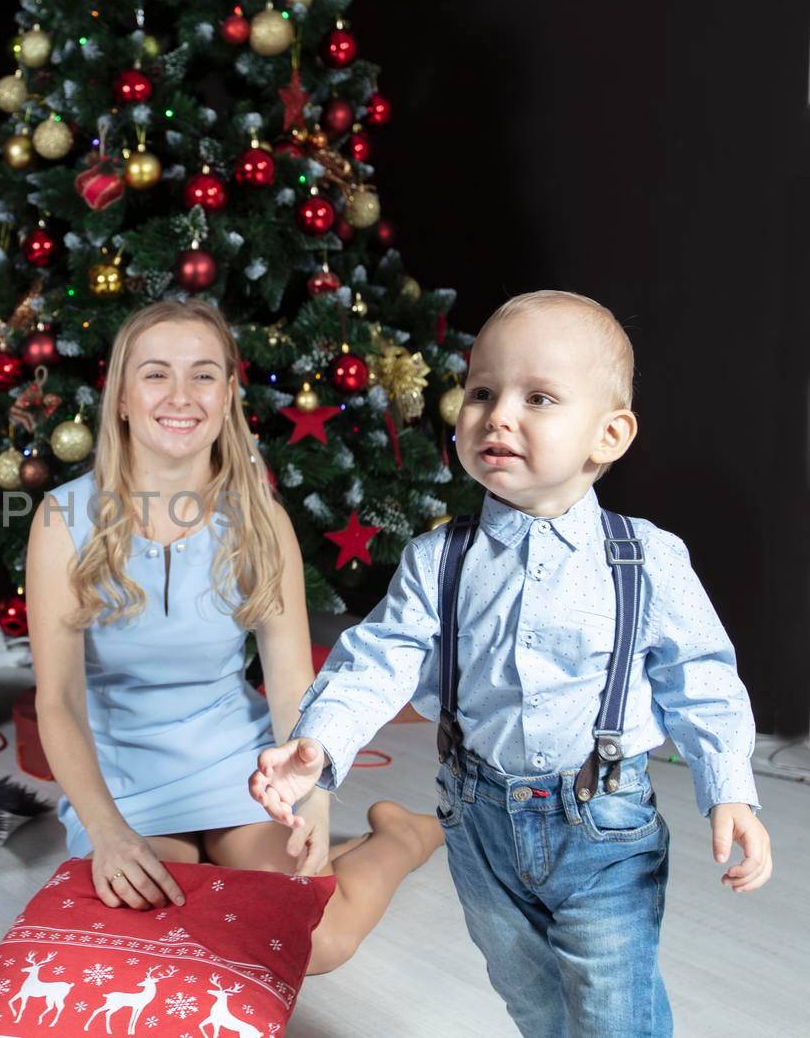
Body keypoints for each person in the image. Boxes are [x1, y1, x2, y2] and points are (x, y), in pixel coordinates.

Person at [252, 290, 773, 1034]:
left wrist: (730, 789)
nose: (498, 415)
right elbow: (380, 656)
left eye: (539, 397)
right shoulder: (440, 558)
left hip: (603, 826)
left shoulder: (647, 558)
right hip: (477, 819)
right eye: (482, 392)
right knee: (529, 993)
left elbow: (704, 679)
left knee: (612, 1009)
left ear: (609, 435)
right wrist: (322, 741)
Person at [25, 299, 445, 976]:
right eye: (156, 374)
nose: (181, 396)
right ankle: (175, 848)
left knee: (314, 941)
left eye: (203, 375)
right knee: (173, 940)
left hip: (235, 765)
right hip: (123, 776)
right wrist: (106, 830)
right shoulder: (61, 519)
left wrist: (312, 803)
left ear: (227, 396)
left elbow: (289, 686)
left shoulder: (260, 520)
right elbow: (60, 702)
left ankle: (400, 837)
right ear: (124, 398)